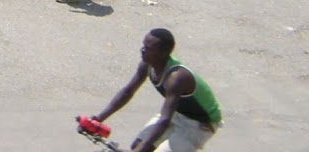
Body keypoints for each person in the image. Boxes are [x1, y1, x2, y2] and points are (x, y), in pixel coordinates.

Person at [88, 29, 222, 151]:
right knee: (137, 145)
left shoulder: (176, 78)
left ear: (163, 53)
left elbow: (164, 120)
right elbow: (127, 92)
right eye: (143, 46)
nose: (142, 50)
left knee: (143, 148)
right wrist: (98, 120)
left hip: (199, 124)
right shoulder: (147, 64)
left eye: (148, 48)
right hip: (177, 113)